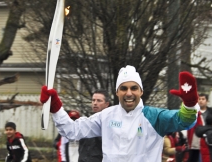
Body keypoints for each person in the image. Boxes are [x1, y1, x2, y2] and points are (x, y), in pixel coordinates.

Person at [40, 65, 200, 162]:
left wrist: (190, 104)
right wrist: (56, 107)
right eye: (123, 88)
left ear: (141, 91)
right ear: (117, 92)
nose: (129, 93)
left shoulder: (154, 116)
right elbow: (72, 131)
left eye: (134, 88)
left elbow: (183, 121)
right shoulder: (106, 115)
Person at [78, 89, 110, 162]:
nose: (95, 103)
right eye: (93, 100)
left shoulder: (110, 124)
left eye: (99, 101)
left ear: (107, 104)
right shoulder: (86, 122)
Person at [187, 93, 212, 162]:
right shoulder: (193, 111)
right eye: (199, 99)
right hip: (195, 138)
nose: (201, 101)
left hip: (208, 139)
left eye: (203, 99)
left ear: (207, 101)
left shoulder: (211, 111)